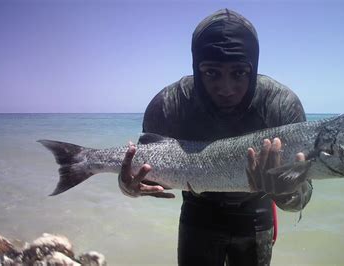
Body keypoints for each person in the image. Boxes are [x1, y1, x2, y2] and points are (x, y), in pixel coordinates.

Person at [118, 9, 313, 266]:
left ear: (253, 68)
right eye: (211, 73)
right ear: (196, 68)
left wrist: (286, 191)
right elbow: (159, 174)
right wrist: (129, 186)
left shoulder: (280, 106)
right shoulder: (170, 105)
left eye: (239, 73)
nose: (226, 89)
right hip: (198, 215)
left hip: (256, 213)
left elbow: (303, 195)